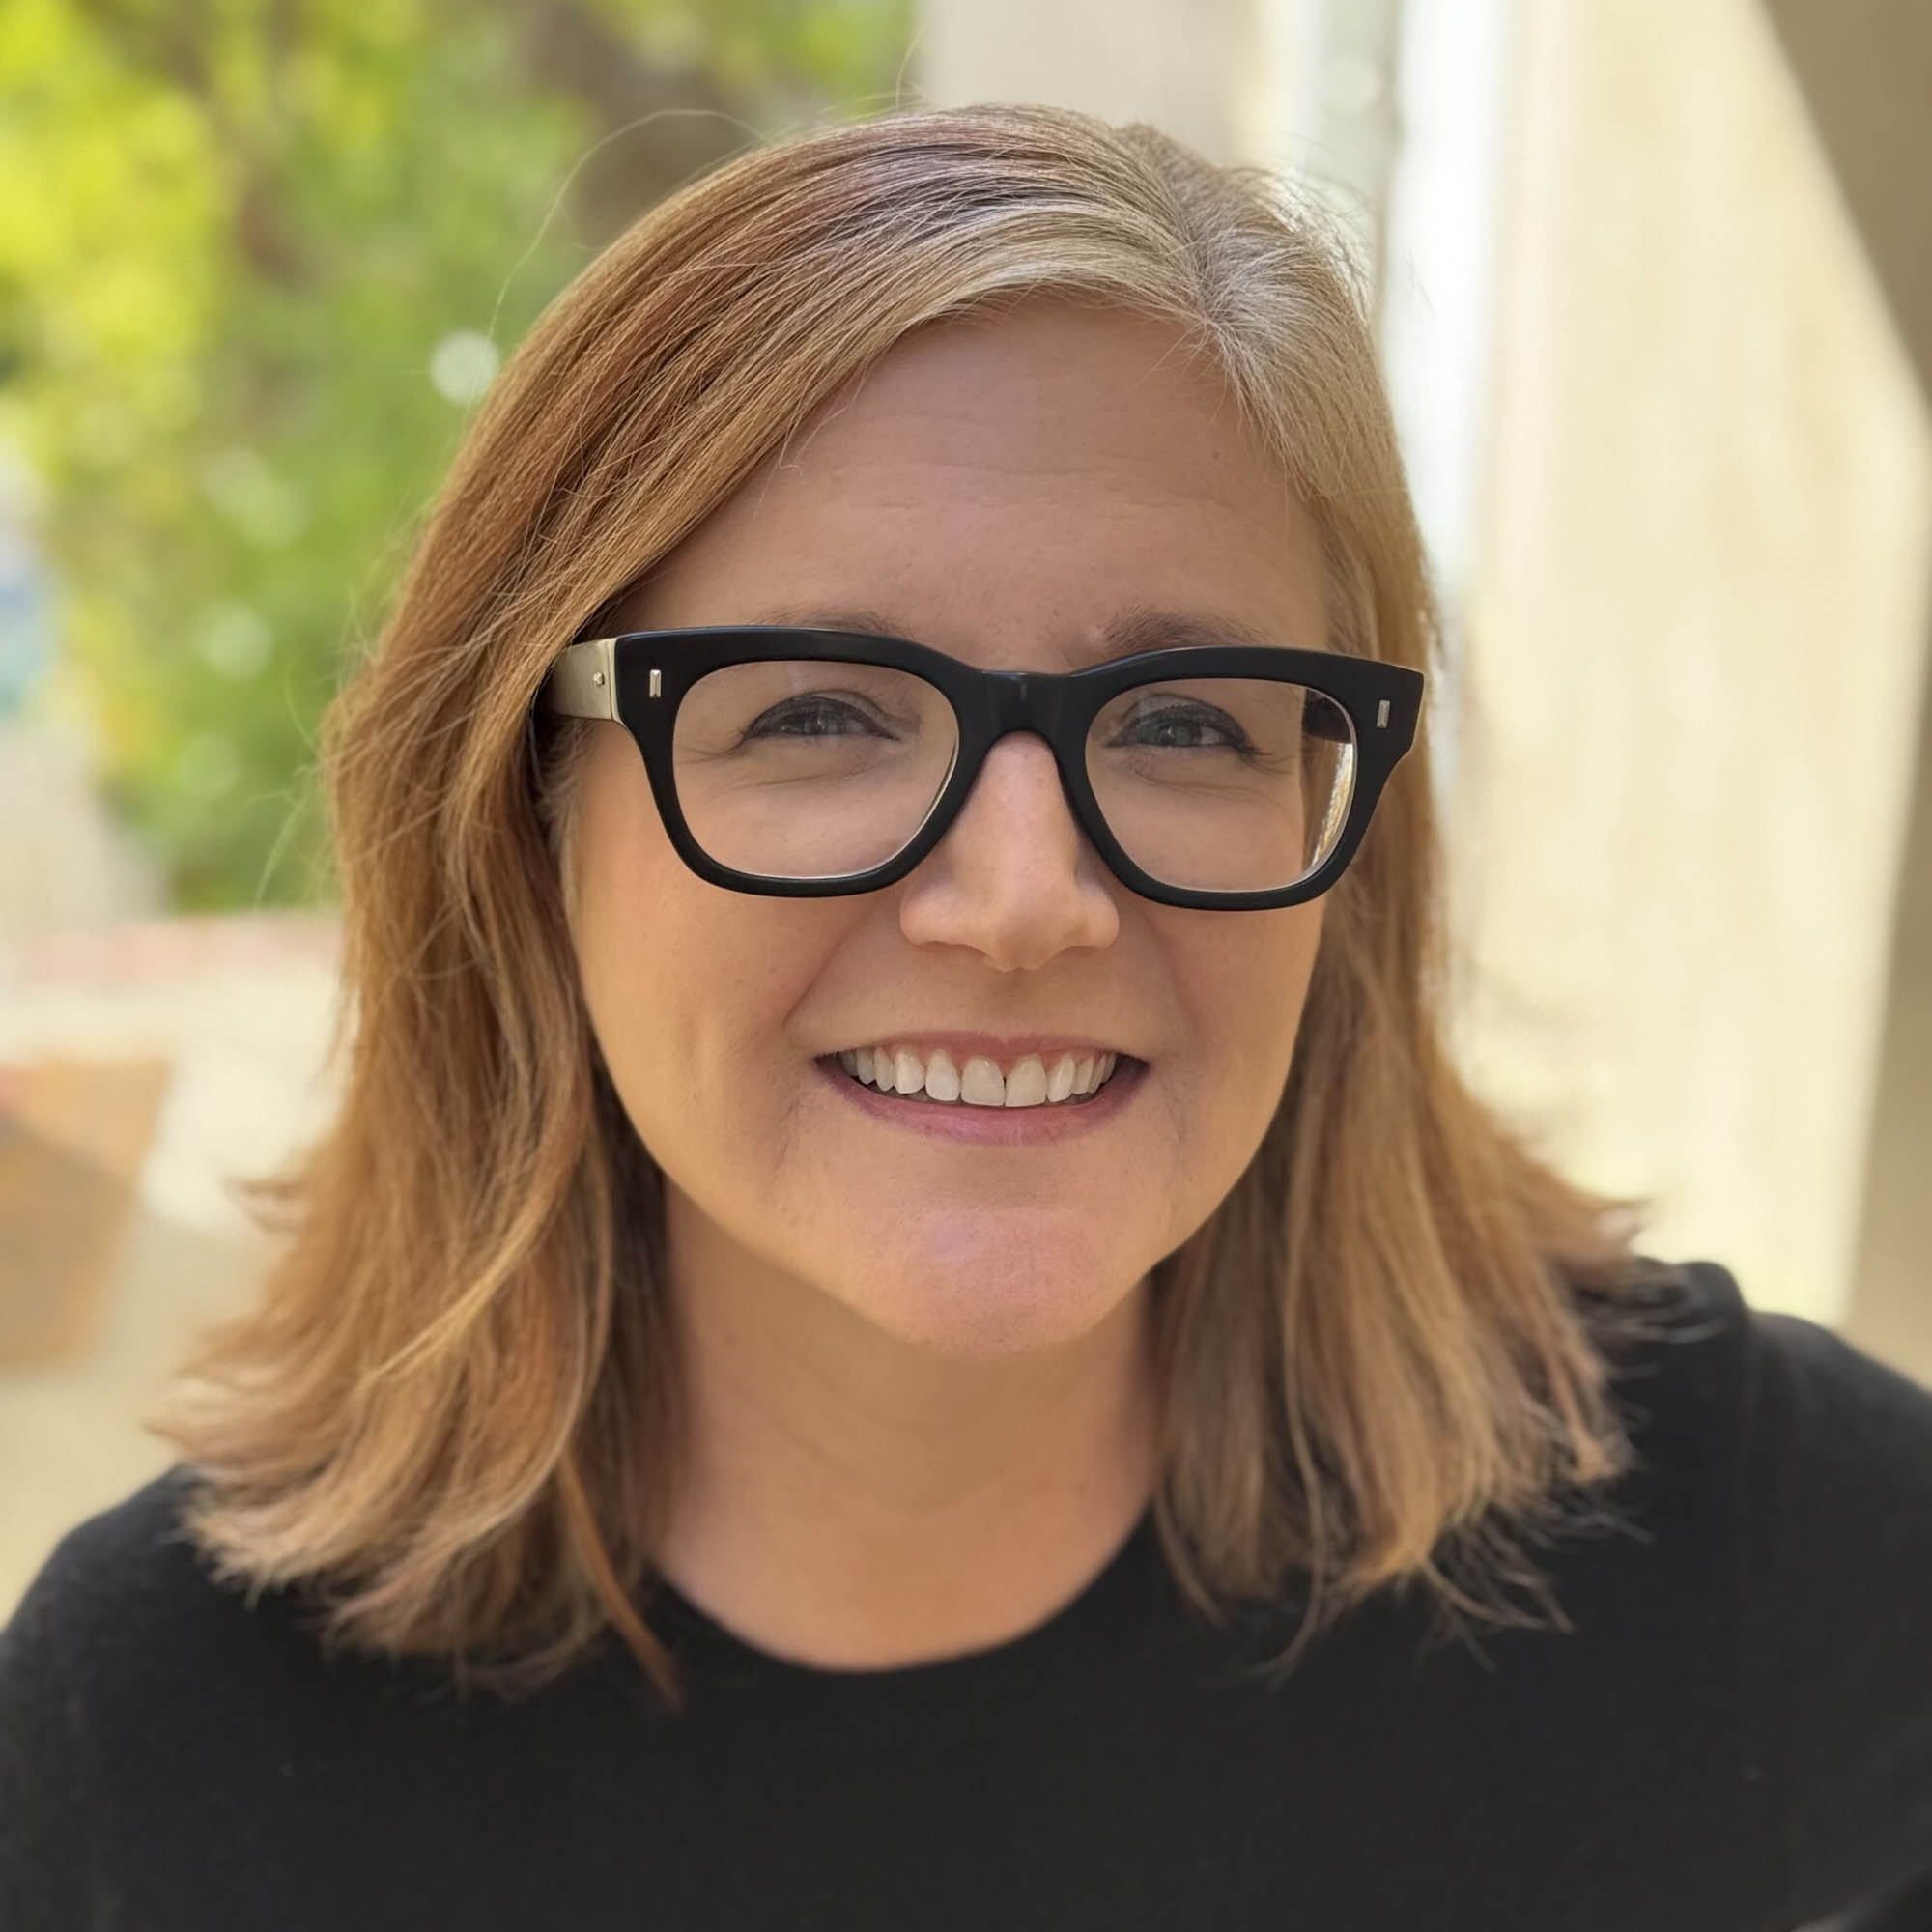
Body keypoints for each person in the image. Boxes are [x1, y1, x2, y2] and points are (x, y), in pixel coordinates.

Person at [2, 102, 1928, 1932]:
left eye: (1184, 724)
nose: (1023, 900)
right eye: (820, 712)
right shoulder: (148, 1742)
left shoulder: (1725, 1540)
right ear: (524, 817)